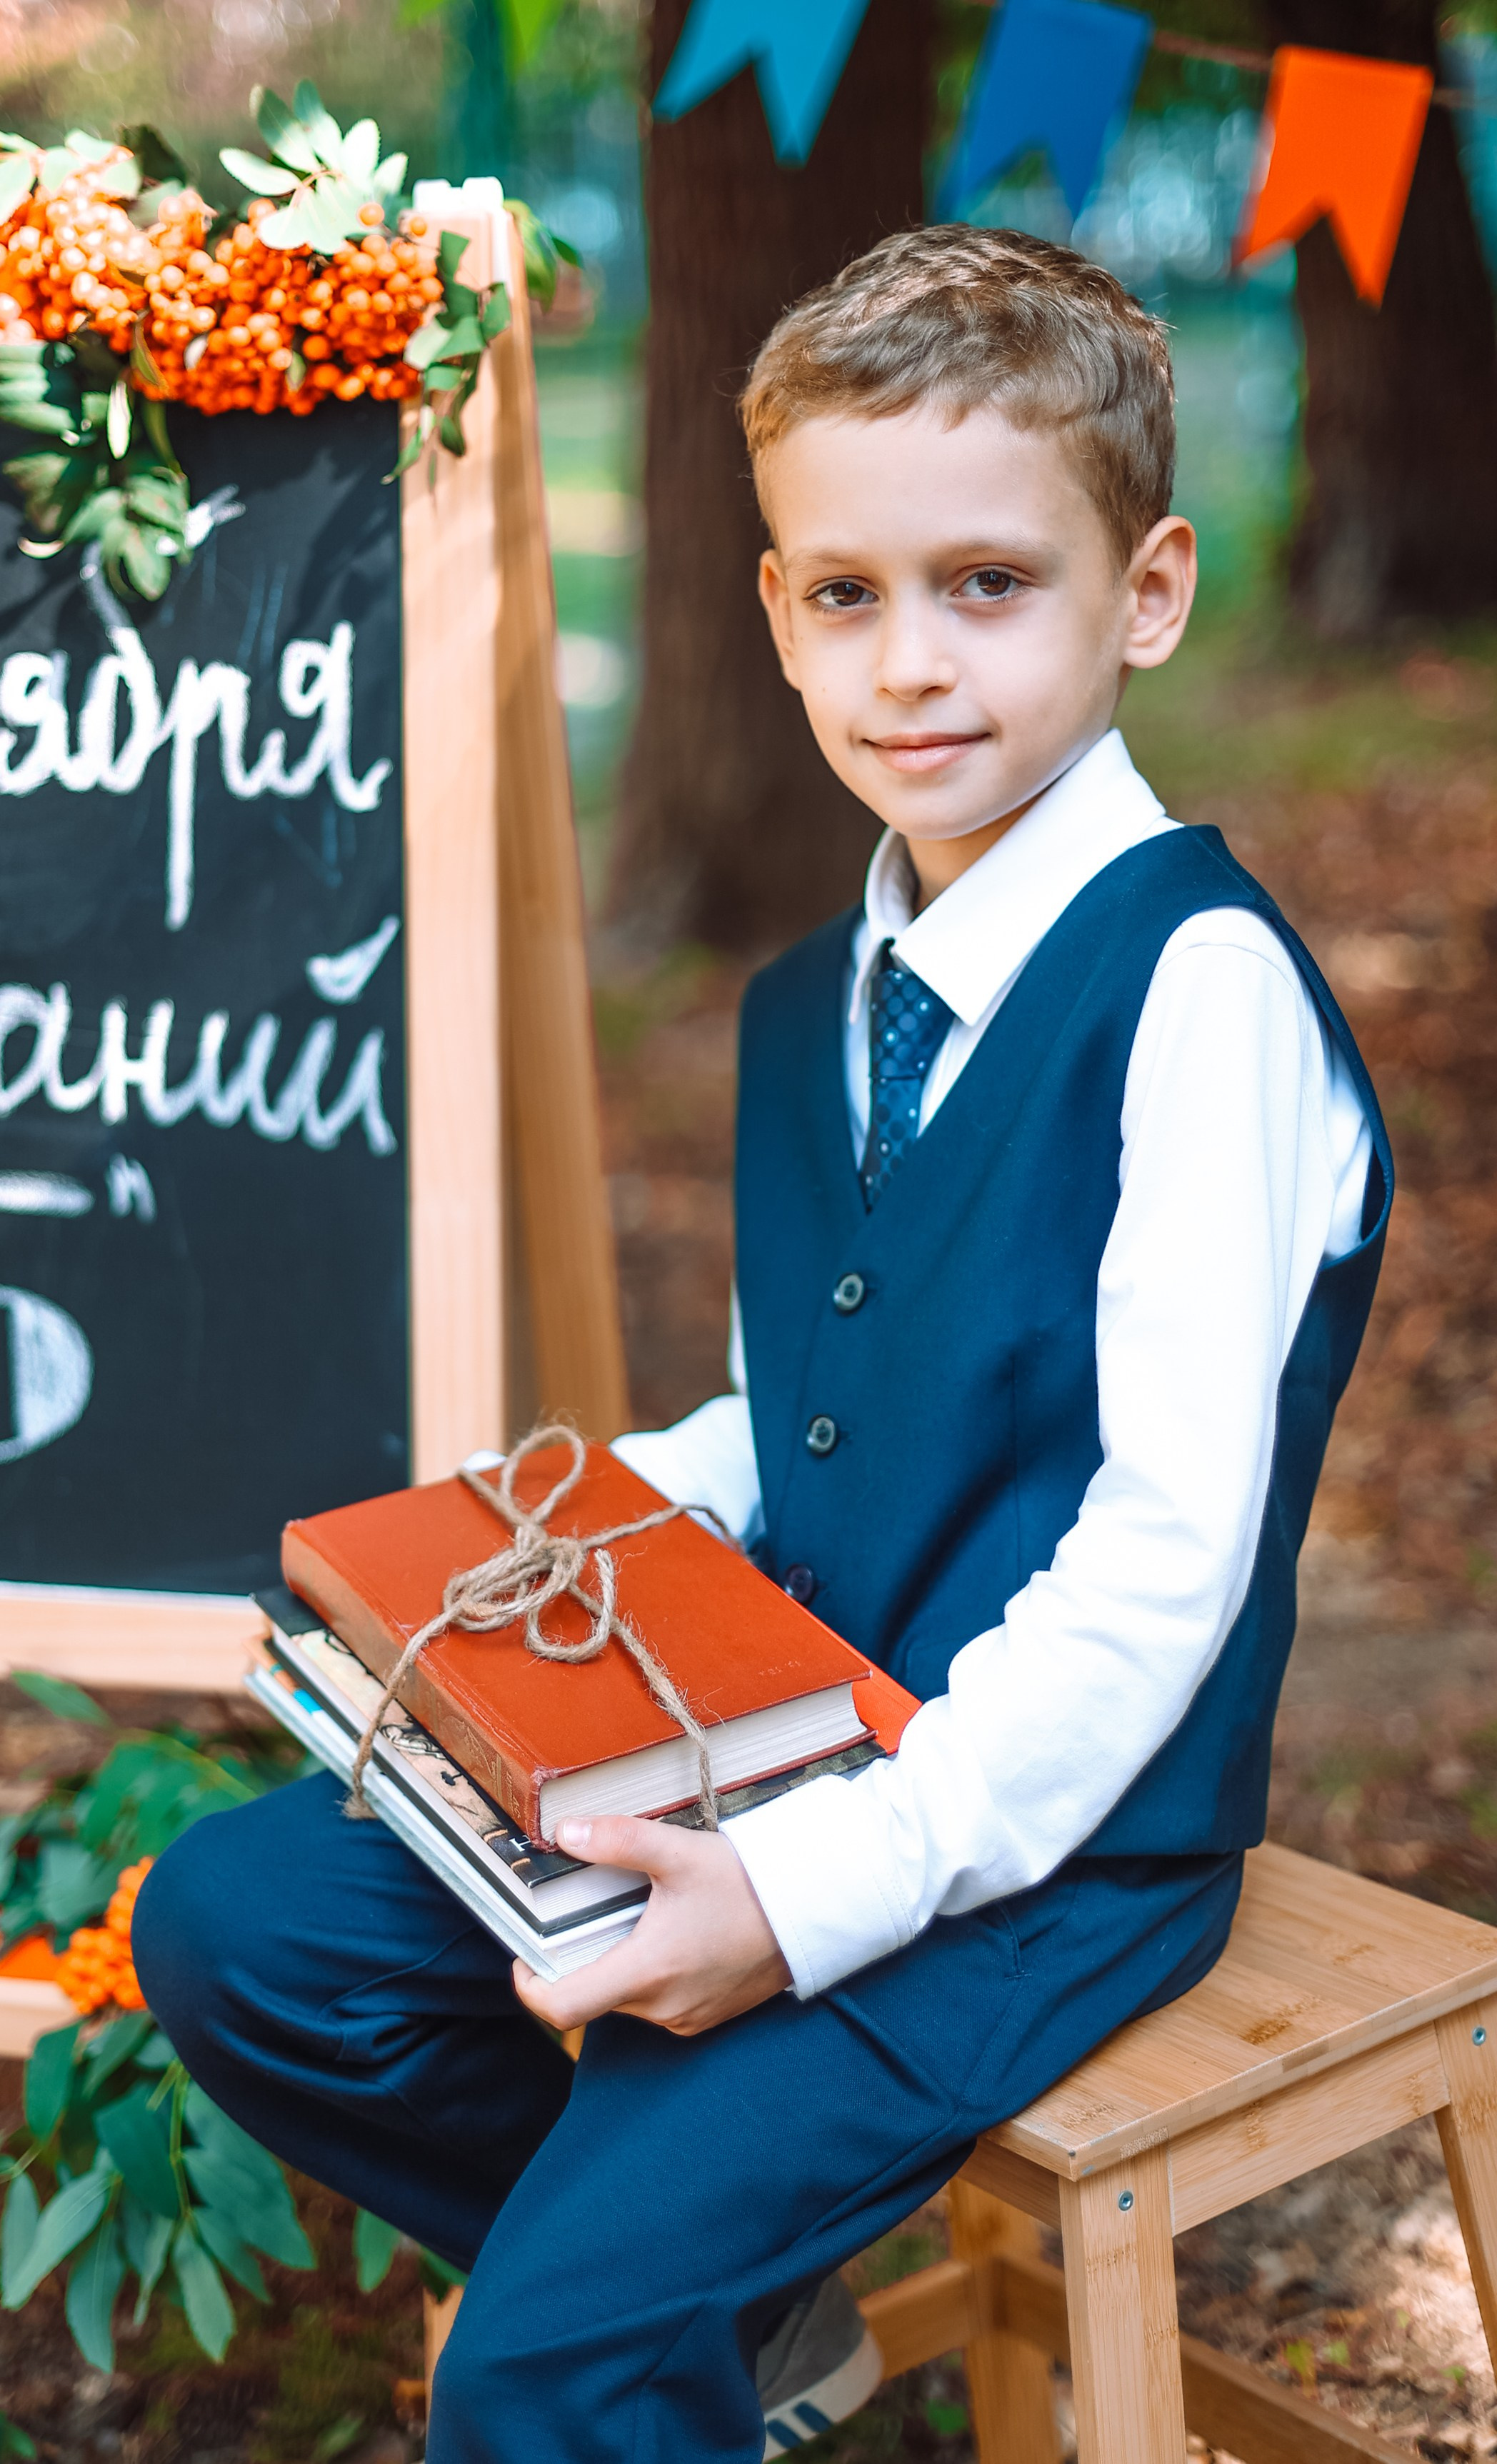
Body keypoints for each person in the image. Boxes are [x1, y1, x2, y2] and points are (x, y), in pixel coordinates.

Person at [133, 225, 1392, 2462]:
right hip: (772, 1741)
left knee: (537, 2365)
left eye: (988, 584)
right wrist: (537, 1546)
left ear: (1153, 592)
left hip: (1039, 1848)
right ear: (775, 610)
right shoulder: (821, 996)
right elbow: (800, 1417)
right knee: (244, 1922)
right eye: (843, 592)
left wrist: (806, 1897)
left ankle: (629, 2331)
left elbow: (1158, 1569)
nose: (909, 662)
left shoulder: (1197, 995)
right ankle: (740, 2308)